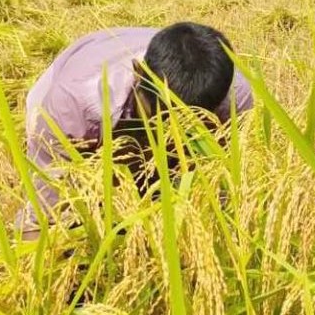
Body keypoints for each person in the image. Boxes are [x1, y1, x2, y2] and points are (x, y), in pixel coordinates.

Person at [18, 22, 254, 238]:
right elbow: (40, 218)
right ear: (139, 73)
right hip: (80, 70)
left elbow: (227, 187)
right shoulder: (72, 104)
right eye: (159, 119)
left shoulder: (234, 97)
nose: (168, 132)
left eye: (185, 126)